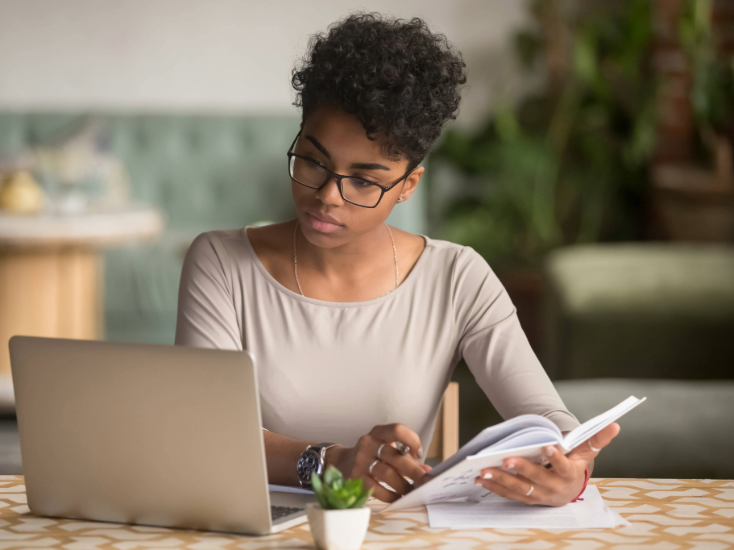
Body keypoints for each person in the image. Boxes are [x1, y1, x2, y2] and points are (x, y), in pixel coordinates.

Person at [175, 12, 619, 506]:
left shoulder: (456, 277)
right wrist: (330, 463)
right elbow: (203, 430)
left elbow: (544, 415)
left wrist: (570, 468)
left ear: (408, 185)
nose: (327, 196)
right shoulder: (219, 262)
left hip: (395, 533)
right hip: (255, 530)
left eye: (364, 180)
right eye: (313, 160)